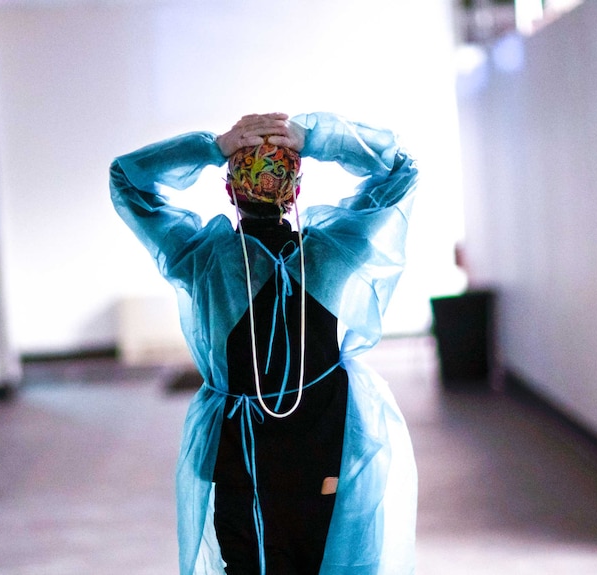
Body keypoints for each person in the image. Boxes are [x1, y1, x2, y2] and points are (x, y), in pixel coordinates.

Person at [110, 112, 419, 575]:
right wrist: (315, 138)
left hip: (242, 457)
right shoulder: (328, 254)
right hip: (322, 442)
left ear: (230, 192)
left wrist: (213, 146)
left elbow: (127, 180)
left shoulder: (203, 260)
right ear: (295, 192)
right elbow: (401, 170)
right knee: (321, 557)